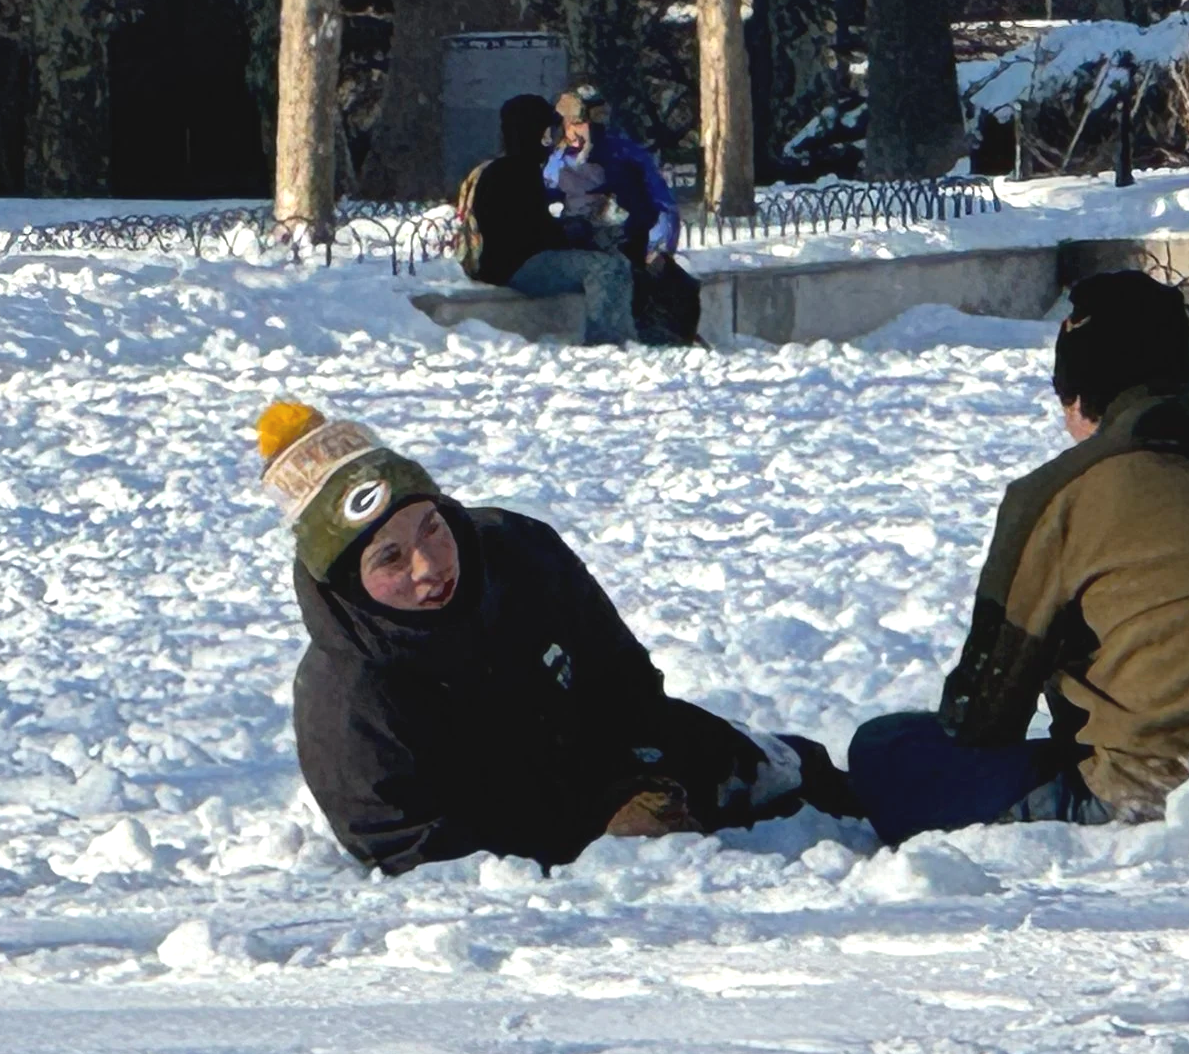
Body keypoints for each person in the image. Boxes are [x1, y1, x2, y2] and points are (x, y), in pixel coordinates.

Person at [841, 271, 1189, 845]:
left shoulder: (1064, 490)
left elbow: (983, 714)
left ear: (1078, 394)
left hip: (1153, 798)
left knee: (885, 748)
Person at [261, 400, 857, 875]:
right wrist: (592, 831)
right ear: (348, 582)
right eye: (390, 557)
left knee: (794, 777)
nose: (430, 565)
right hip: (522, 834)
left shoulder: (518, 553)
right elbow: (409, 850)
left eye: (432, 527)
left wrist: (661, 766)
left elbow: (624, 680)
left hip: (607, 758)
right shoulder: (346, 699)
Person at [460, 93, 635, 347]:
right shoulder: (510, 172)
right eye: (545, 132)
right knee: (604, 269)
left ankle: (631, 338)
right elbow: (524, 236)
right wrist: (571, 233)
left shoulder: (522, 168)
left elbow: (534, 229)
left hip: (524, 260)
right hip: (512, 268)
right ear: (530, 131)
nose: (551, 140)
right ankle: (606, 344)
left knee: (617, 262)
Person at [544, 84, 703, 346]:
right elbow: (545, 203)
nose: (578, 130)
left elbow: (662, 205)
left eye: (586, 121)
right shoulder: (556, 162)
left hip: (631, 247)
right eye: (572, 122)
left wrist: (656, 248)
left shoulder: (626, 155)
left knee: (676, 288)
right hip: (584, 249)